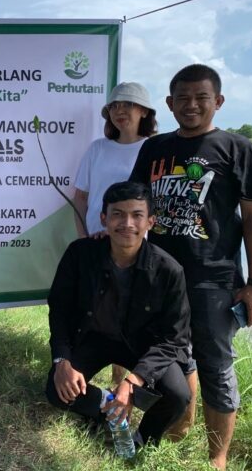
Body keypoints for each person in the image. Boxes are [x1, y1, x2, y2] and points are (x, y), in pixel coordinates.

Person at [129, 63, 252, 469]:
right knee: (171, 356)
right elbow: (138, 207)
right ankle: (178, 428)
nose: (191, 106)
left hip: (214, 278)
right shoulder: (153, 149)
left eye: (201, 98)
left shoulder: (236, 148)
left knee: (215, 365)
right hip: (159, 276)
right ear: (170, 104)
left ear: (218, 102)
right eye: (183, 99)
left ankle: (217, 460)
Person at [46, 181, 191, 448]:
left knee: (178, 396)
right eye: (117, 214)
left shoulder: (169, 270)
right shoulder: (80, 254)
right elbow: (60, 310)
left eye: (137, 215)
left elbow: (173, 339)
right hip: (92, 337)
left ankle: (141, 440)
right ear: (104, 218)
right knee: (58, 391)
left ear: (150, 221)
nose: (127, 223)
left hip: (141, 345)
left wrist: (133, 382)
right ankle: (105, 407)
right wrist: (62, 359)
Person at [73, 81, 158, 387]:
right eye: (115, 106)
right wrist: (84, 235)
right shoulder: (98, 148)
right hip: (98, 242)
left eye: (128, 105)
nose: (120, 112)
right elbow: (79, 197)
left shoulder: (155, 148)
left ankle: (126, 382)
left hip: (140, 247)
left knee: (133, 313)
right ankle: (81, 376)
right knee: (95, 309)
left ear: (144, 111)